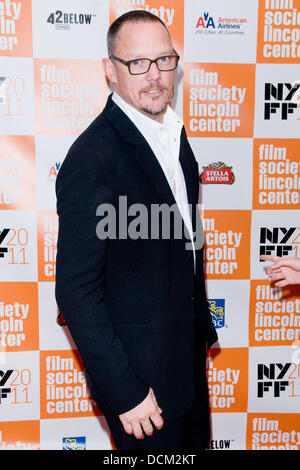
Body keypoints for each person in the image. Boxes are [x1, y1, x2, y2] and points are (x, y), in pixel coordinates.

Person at [55, 10, 217, 451]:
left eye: (164, 61)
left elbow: (180, 245)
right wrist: (124, 392)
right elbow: (75, 291)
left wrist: (199, 329)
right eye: (137, 63)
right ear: (110, 70)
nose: (154, 76)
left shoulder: (175, 138)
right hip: (139, 388)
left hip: (184, 364)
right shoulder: (92, 159)